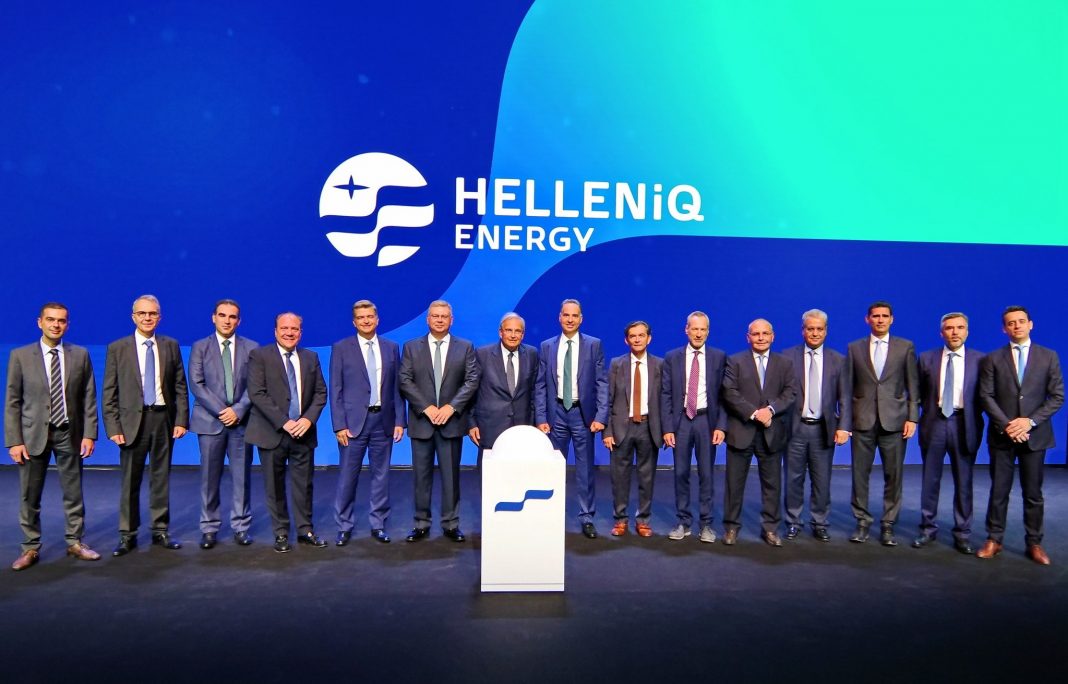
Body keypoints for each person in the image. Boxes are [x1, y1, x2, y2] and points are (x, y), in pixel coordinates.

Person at [5, 303, 100, 570]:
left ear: (67, 324)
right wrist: (14, 440)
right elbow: (12, 401)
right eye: (50, 319)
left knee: (73, 491)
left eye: (61, 321)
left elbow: (89, 397)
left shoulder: (80, 355)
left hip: (70, 433)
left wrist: (90, 434)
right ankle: (30, 547)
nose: (56, 325)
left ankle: (75, 541)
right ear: (40, 322)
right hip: (32, 435)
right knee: (30, 494)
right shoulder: (20, 356)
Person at [976, 306, 1064, 565]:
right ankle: (994, 539)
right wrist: (1008, 425)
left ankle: (1034, 542)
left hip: (1035, 436)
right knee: (999, 491)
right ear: (1004, 328)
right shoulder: (992, 359)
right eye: (1011, 323)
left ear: (1030, 324)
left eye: (1021, 321)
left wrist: (1029, 422)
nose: (1016, 326)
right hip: (1002, 436)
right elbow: (985, 396)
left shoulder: (1049, 356)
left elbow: (1057, 396)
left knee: (1033, 493)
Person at [103, 294, 189, 556]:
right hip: (131, 423)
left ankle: (160, 530)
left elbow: (180, 386)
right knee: (130, 480)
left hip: (163, 419)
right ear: (134, 317)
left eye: (152, 313)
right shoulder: (118, 348)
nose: (147, 318)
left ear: (159, 317)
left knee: (161, 478)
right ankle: (127, 534)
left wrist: (181, 420)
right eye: (142, 313)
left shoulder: (170, 345)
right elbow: (109, 392)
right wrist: (113, 427)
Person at [246, 312, 329, 553]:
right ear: (275, 331)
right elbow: (257, 393)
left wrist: (307, 420)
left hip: (304, 433)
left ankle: (305, 530)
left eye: (294, 329)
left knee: (304, 485)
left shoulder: (311, 357)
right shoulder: (259, 356)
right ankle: (281, 533)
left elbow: (320, 393)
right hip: (272, 432)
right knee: (274, 486)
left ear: (300, 333)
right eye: (284, 328)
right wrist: (284, 422)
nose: (289, 333)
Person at [399, 300, 480, 543]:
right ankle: (421, 523)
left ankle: (451, 524)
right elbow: (405, 380)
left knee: (451, 478)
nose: (440, 320)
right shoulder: (411, 347)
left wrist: (450, 407)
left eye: (444, 316)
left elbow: (471, 381)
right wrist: (426, 408)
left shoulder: (465, 347)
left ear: (451, 320)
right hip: (421, 422)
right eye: (435, 316)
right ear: (428, 319)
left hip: (451, 423)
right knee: (421, 477)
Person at [330, 300, 405, 546]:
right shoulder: (341, 348)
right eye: (361, 317)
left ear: (377, 319)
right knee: (347, 476)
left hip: (383, 420)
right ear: (354, 322)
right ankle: (344, 525)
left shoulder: (391, 348)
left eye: (370, 316)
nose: (366, 321)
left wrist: (400, 420)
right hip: (352, 424)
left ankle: (378, 524)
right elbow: (336, 389)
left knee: (381, 475)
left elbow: (396, 388)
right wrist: (339, 425)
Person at [846, 301, 919, 546]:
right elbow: (847, 388)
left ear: (891, 319)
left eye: (884, 316)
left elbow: (913, 385)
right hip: (862, 421)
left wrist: (912, 417)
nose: (880, 320)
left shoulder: (905, 347)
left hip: (894, 421)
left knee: (893, 475)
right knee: (860, 475)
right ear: (867, 319)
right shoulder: (854, 348)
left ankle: (888, 524)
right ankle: (862, 522)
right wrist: (845, 422)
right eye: (875, 316)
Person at [534, 298, 608, 539]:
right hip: (555, 414)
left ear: (581, 319)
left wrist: (601, 415)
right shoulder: (547, 346)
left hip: (582, 415)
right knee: (554, 467)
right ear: (559, 317)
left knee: (585, 469)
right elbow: (541, 385)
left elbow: (601, 382)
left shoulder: (594, 345)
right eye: (566, 315)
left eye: (574, 315)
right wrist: (541, 417)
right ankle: (551, 514)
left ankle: (586, 517)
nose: (570, 319)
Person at [188, 299, 258, 549]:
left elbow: (255, 384)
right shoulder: (200, 347)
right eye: (222, 315)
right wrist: (222, 411)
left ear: (239, 321)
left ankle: (241, 526)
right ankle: (209, 527)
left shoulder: (252, 347)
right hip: (210, 422)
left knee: (242, 477)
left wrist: (237, 410)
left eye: (232, 316)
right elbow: (196, 384)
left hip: (241, 422)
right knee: (209, 478)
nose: (227, 320)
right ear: (213, 318)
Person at [912, 313, 984, 554]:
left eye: (960, 328)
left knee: (964, 481)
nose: (955, 332)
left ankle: (962, 533)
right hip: (934, 423)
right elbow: (918, 392)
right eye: (949, 328)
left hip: (965, 423)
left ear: (967, 332)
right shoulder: (926, 358)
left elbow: (985, 395)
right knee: (930, 479)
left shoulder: (980, 360)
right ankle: (927, 529)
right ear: (941, 332)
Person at [721, 319, 797, 547]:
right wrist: (754, 413)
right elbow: (729, 392)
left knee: (772, 485)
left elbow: (790, 392)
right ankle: (731, 527)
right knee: (734, 484)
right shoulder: (735, 361)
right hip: (741, 431)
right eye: (756, 334)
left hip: (771, 433)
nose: (761, 338)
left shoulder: (785, 363)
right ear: (748, 337)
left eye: (765, 333)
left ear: (773, 336)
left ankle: (770, 529)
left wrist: (770, 410)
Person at [782, 309, 851, 542]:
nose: (814, 333)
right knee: (793, 479)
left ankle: (820, 522)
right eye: (810, 329)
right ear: (803, 331)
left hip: (823, 429)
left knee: (821, 480)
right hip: (794, 429)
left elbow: (845, 397)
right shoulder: (787, 357)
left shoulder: (838, 360)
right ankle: (793, 522)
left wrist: (843, 426)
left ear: (826, 331)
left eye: (819, 329)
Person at [660, 311, 727, 543]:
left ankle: (706, 524)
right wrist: (667, 428)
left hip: (706, 421)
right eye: (694, 329)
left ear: (708, 331)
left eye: (703, 329)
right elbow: (666, 394)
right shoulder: (672, 357)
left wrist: (721, 426)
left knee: (707, 474)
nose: (698, 333)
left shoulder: (719, 357)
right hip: (681, 422)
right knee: (680, 473)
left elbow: (724, 395)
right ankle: (683, 521)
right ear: (686, 330)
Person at [603, 321, 662, 537]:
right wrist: (607, 431)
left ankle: (643, 520)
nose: (637, 339)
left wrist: (665, 430)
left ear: (649, 338)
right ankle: (620, 519)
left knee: (647, 477)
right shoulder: (616, 364)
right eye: (633, 336)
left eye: (641, 335)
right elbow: (608, 399)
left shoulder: (659, 365)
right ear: (626, 340)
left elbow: (664, 400)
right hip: (622, 427)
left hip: (648, 426)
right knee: (619, 476)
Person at [468, 312, 538, 454]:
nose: (513, 335)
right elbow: (471, 391)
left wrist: (535, 422)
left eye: (517, 331)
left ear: (522, 335)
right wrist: (471, 423)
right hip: (489, 428)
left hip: (522, 429)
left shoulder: (532, 354)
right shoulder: (482, 354)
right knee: (489, 468)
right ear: (500, 332)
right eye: (508, 330)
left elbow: (534, 391)